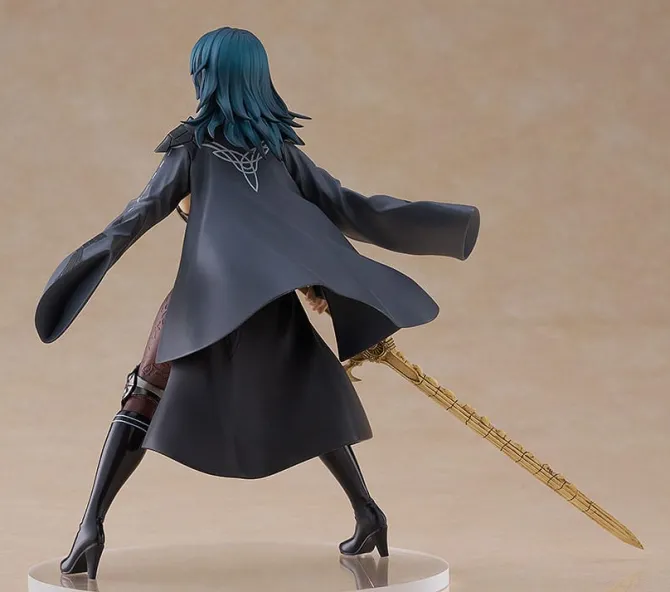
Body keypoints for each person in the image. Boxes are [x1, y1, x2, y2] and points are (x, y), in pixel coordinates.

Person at [34, 26, 480, 580]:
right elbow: (348, 208)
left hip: (209, 301)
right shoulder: (279, 151)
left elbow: (137, 216)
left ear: (209, 77)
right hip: (267, 300)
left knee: (144, 394)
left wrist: (79, 268)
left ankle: (91, 527)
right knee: (311, 395)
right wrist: (441, 225)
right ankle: (368, 512)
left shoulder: (192, 148)